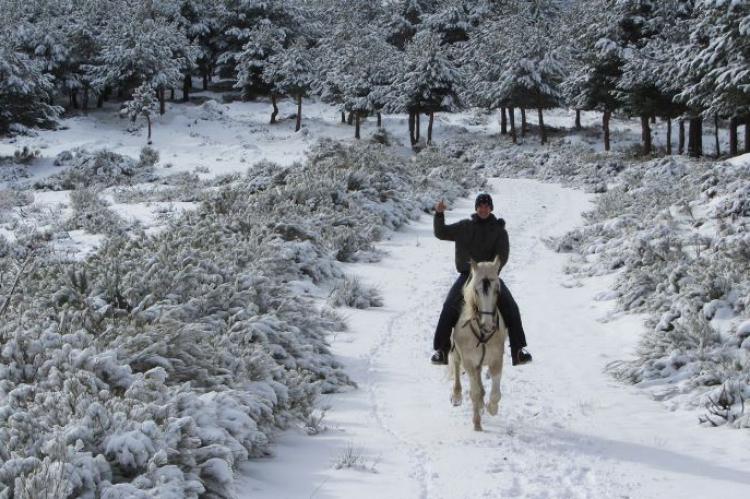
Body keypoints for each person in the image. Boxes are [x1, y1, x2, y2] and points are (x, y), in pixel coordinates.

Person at [430, 192, 533, 366]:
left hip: (490, 277)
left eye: (486, 206)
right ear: (476, 208)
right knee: (449, 306)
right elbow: (441, 232)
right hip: (467, 276)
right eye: (480, 206)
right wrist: (439, 214)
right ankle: (441, 350)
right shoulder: (464, 227)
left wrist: (491, 271)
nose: (483, 209)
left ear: (491, 208)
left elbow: (503, 255)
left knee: (511, 308)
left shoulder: (499, 231)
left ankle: (518, 351)